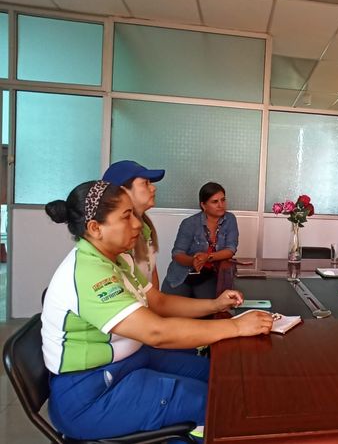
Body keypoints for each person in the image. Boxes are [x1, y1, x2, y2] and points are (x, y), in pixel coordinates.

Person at [42, 180, 273, 441]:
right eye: (126, 216)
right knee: (211, 402)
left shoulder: (117, 258)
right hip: (91, 394)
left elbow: (159, 302)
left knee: (219, 376)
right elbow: (156, 332)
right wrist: (236, 326)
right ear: (95, 228)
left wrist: (215, 304)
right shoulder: (88, 272)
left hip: (131, 362)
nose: (137, 224)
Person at [162, 182, 238, 299]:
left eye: (223, 200)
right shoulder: (190, 223)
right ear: (203, 205)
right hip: (182, 275)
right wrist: (194, 261)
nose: (221, 205)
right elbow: (177, 254)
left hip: (209, 275)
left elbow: (231, 249)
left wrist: (207, 257)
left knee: (212, 306)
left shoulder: (230, 219)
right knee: (171, 306)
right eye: (215, 202)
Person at [102, 160, 164, 289]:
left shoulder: (145, 226)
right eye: (145, 183)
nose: (153, 188)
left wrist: (156, 300)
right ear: (122, 192)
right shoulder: (114, 237)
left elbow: (151, 271)